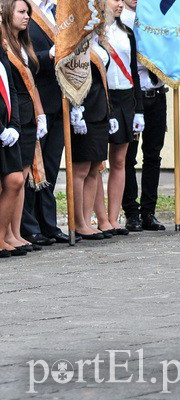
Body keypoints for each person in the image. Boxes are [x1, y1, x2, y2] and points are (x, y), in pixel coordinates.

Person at [21, 0, 69, 246]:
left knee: (50, 166)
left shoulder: (57, 10)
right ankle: (29, 226)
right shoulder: (19, 9)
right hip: (34, 98)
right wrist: (47, 56)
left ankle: (48, 224)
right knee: (31, 168)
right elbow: (16, 55)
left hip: (59, 97)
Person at [116, 0, 168, 233]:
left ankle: (149, 211)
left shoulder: (152, 20)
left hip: (156, 94)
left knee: (154, 155)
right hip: (134, 97)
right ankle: (131, 212)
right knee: (128, 157)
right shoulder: (120, 25)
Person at [92, 0, 143, 236]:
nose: (121, 4)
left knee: (120, 160)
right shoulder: (95, 33)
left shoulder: (126, 32)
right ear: (103, 0)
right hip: (104, 97)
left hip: (125, 99)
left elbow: (133, 71)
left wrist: (139, 109)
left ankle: (114, 218)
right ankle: (100, 219)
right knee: (98, 162)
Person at [0, 0, 39, 256]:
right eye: (21, 12)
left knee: (15, 180)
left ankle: (6, 235)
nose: (26, 17)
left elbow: (11, 88)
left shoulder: (3, 50)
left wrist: (12, 124)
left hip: (12, 124)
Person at [69, 23, 116, 240]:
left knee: (94, 168)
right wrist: (75, 107)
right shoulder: (75, 40)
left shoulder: (98, 41)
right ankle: (78, 222)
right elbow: (71, 77)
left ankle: (87, 221)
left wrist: (110, 111)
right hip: (84, 110)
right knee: (81, 169)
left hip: (100, 109)